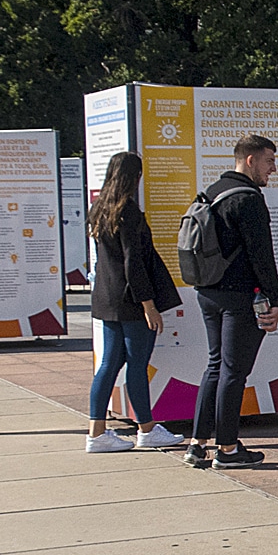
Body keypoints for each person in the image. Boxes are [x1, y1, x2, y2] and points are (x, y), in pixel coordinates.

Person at [182, 134, 278, 470]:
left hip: (207, 292)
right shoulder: (248, 199)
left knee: (216, 366)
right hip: (240, 297)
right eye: (269, 160)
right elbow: (262, 255)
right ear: (250, 160)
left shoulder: (210, 193)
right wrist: (276, 297)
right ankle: (226, 448)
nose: (273, 168)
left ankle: (198, 444)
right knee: (234, 371)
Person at [86, 151, 186, 453]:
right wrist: (149, 306)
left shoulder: (99, 210)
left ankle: (96, 432)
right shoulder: (128, 211)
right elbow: (135, 264)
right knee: (137, 365)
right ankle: (146, 428)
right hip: (130, 302)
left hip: (107, 299)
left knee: (108, 365)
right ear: (135, 177)